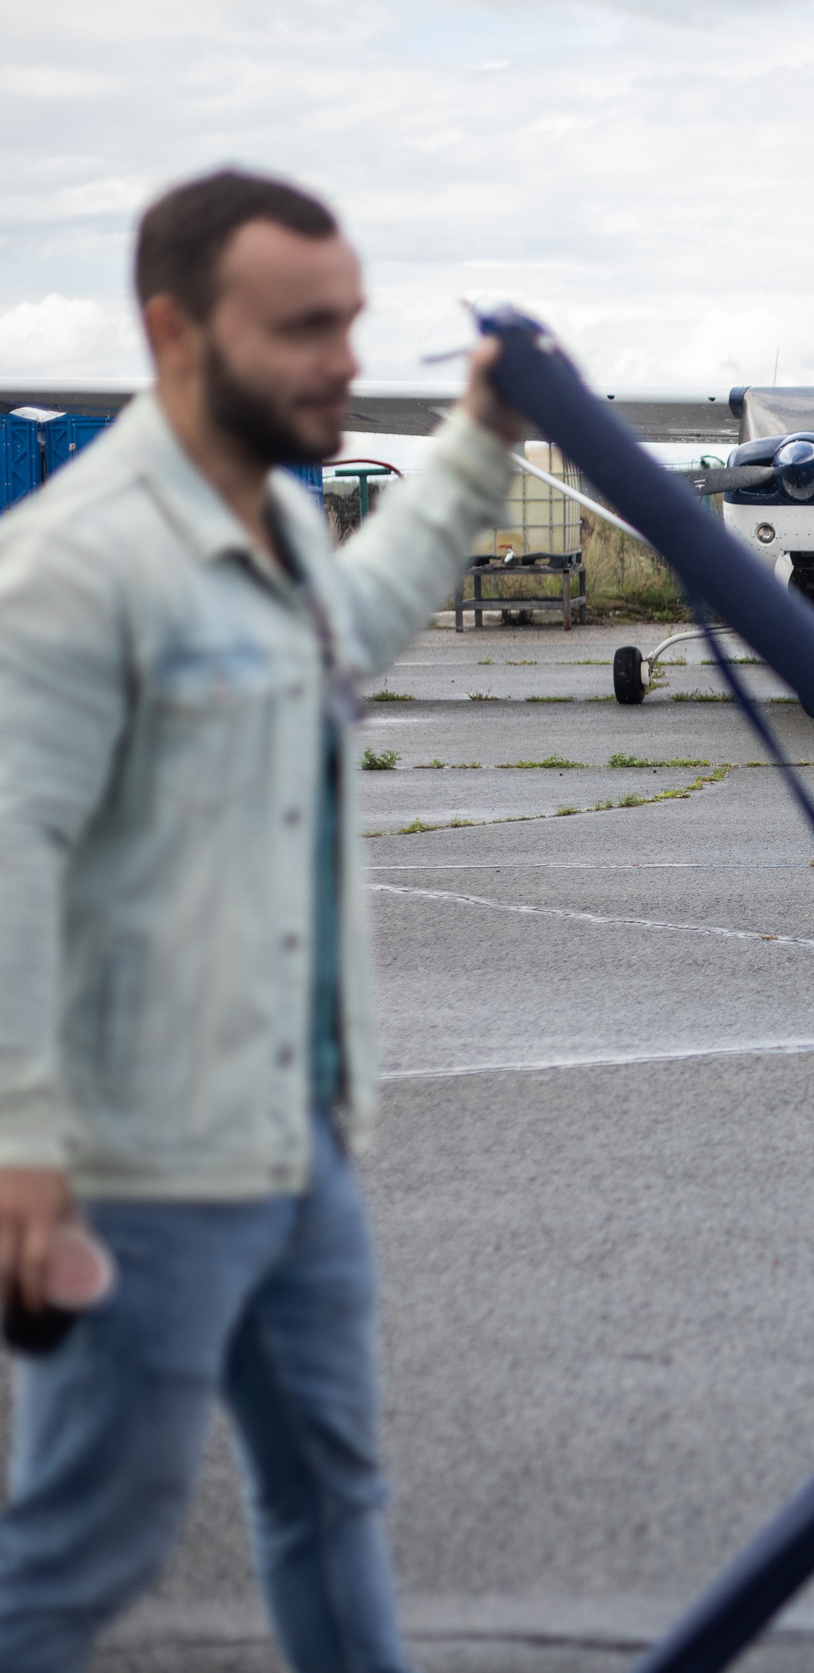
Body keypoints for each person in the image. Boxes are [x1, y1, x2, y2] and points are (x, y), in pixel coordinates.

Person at [0, 170, 523, 1671]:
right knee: (75, 1553)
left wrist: (482, 448)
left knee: (330, 1496)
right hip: (137, 1165)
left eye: (350, 321)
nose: (344, 359)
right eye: (303, 328)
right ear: (175, 332)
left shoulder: (280, 534)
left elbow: (349, 634)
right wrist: (20, 1134)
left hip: (297, 1141)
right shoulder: (73, 565)